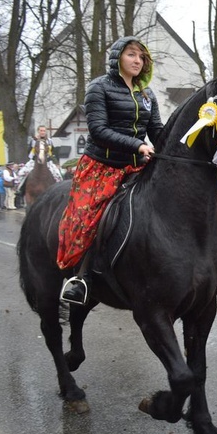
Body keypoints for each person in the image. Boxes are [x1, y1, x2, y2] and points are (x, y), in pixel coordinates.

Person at [57, 36, 162, 305]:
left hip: (137, 165)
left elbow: (158, 133)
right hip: (102, 166)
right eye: (131, 54)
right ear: (118, 58)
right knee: (89, 217)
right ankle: (80, 277)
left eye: (141, 56)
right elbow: (99, 131)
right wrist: (138, 145)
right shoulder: (98, 87)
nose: (138, 60)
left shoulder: (147, 94)